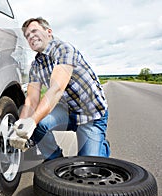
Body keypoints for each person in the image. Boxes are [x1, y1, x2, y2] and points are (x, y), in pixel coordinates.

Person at [9, 17, 110, 161]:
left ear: (49, 32)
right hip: (67, 112)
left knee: (91, 163)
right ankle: (55, 161)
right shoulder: (36, 66)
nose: (30, 36)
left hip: (91, 115)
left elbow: (56, 89)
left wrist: (32, 121)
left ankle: (101, 146)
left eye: (34, 31)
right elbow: (31, 99)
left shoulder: (64, 49)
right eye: (27, 36)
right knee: (38, 123)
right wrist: (22, 126)